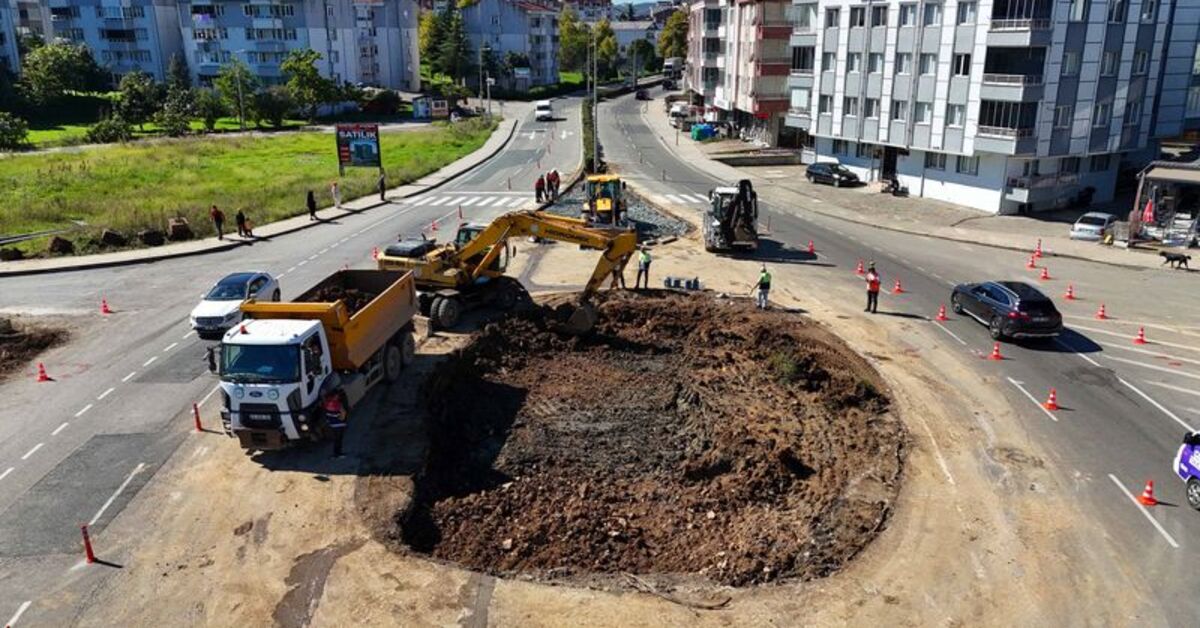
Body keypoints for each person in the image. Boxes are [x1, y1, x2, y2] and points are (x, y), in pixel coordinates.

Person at [323, 390, 348, 458]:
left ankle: (335, 454)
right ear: (335, 396)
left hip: (332, 425)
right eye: (337, 395)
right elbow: (343, 414)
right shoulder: (338, 404)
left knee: (336, 440)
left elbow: (327, 414)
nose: (338, 396)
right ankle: (339, 453)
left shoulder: (326, 404)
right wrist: (342, 419)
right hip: (339, 425)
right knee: (339, 440)